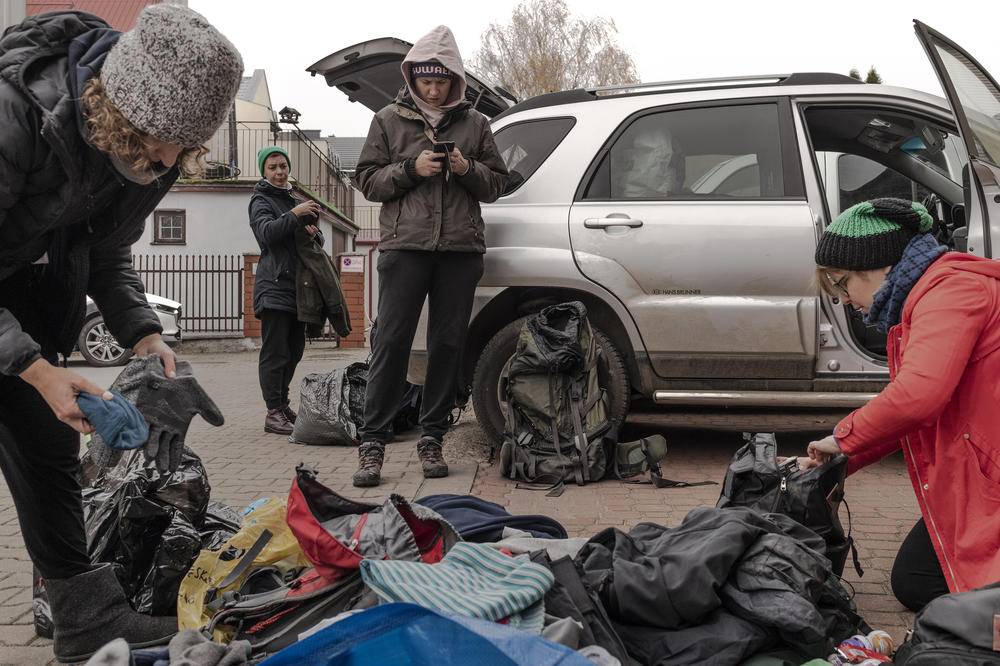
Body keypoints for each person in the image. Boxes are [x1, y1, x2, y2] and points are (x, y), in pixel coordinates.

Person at [0, 6, 242, 662]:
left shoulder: (151, 156)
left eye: (181, 147)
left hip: (23, 285)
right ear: (116, 103)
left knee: (47, 449)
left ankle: (87, 622)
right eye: (158, 138)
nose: (166, 159)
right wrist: (38, 370)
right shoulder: (18, 115)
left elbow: (107, 253)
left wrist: (144, 336)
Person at [800, 197, 1000, 612]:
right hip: (981, 469)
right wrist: (840, 458)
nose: (843, 299)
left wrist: (843, 437)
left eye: (842, 283)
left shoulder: (952, 291)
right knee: (915, 580)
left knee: (949, 592)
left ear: (881, 266)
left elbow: (918, 397)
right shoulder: (925, 297)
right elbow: (916, 413)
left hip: (990, 473)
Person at [352, 25, 509, 487]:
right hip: (405, 249)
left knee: (447, 345)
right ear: (413, 77)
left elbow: (498, 184)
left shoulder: (476, 125)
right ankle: (372, 442)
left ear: (455, 79)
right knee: (391, 342)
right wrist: (410, 169)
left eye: (442, 81)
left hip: (460, 251)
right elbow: (366, 179)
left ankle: (433, 438)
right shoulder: (387, 120)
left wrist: (467, 168)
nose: (435, 89)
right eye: (426, 81)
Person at [249, 146, 323, 435]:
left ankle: (282, 404)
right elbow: (266, 234)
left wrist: (315, 233)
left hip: (299, 288)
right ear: (264, 171)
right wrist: (295, 214)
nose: (279, 172)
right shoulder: (260, 200)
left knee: (294, 350)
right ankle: (272, 411)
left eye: (283, 166)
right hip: (274, 286)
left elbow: (313, 243)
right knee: (275, 352)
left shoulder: (295, 199)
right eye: (273, 167)